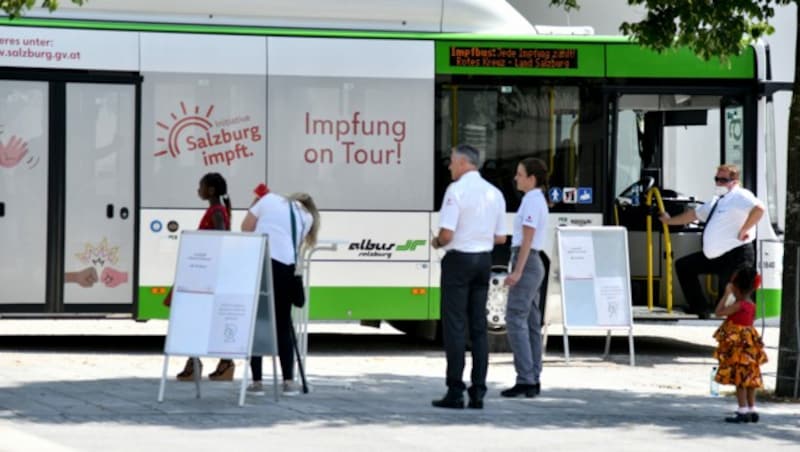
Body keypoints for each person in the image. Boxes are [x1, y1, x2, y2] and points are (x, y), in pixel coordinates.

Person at [431, 144, 507, 410]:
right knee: (478, 327)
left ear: (464, 163)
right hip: (483, 261)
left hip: (458, 261)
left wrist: (436, 242)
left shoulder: (456, 191)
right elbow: (500, 237)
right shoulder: (494, 193)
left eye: (452, 162)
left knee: (454, 326)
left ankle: (454, 390)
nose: (450, 167)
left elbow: (447, 234)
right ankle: (478, 391)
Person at [659, 164, 764, 318]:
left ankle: (739, 326)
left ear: (734, 181)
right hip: (717, 256)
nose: (718, 183)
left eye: (723, 179)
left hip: (737, 253)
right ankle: (701, 309)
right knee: (684, 266)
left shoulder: (740, 195)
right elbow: (694, 215)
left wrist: (744, 229)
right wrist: (668, 221)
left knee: (731, 291)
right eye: (717, 179)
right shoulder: (718, 201)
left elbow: (759, 209)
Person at [241, 190, 320, 395]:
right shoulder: (308, 217)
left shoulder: (267, 199)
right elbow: (293, 246)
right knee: (283, 324)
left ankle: (257, 382)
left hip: (260, 262)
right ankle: (288, 381)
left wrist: (254, 206)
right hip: (284, 268)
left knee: (257, 322)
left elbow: (246, 228)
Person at [176, 172, 236, 382]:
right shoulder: (218, 210)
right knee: (203, 318)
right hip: (208, 273)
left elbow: (218, 240)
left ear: (210, 190)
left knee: (195, 317)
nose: (198, 190)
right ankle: (222, 362)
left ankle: (197, 363)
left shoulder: (217, 211)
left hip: (207, 274)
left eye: (200, 186)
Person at [501, 158, 549, 398]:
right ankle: (533, 377)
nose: (516, 178)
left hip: (527, 261)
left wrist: (517, 271)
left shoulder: (531, 201)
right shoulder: (536, 200)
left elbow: (527, 238)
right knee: (530, 321)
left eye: (520, 174)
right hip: (532, 261)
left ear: (532, 178)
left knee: (514, 318)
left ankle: (526, 378)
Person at [712, 266, 768, 423]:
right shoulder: (752, 306)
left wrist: (726, 294)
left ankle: (742, 410)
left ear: (736, 287)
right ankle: (751, 409)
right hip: (750, 347)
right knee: (750, 379)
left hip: (738, 349)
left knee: (740, 379)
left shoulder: (739, 305)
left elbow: (718, 312)